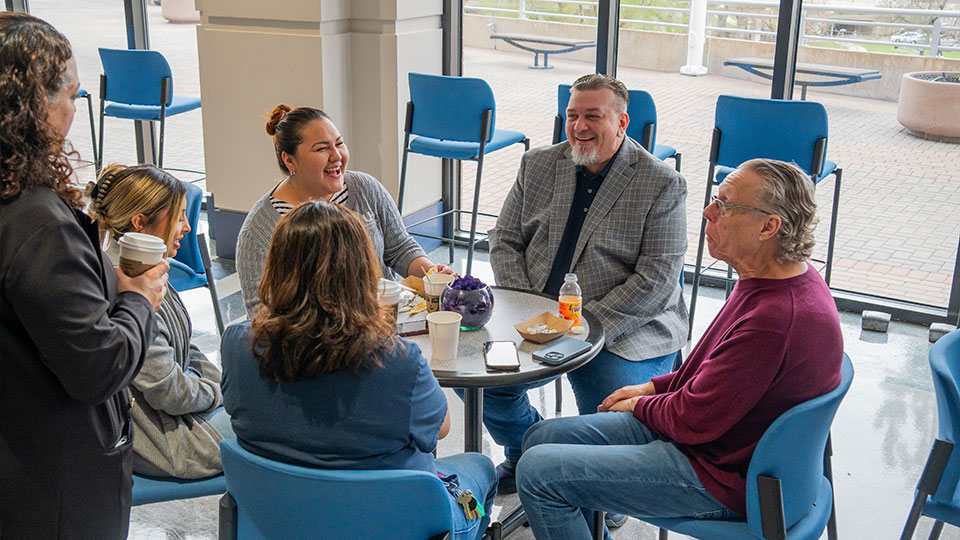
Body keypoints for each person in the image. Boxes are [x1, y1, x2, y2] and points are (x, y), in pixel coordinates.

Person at [515, 158, 845, 539]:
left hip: (720, 475)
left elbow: (692, 419)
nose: (708, 212)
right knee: (538, 440)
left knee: (539, 472)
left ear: (768, 227)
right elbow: (715, 374)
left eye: (725, 205)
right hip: (718, 446)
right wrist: (651, 388)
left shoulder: (775, 319)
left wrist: (639, 405)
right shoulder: (774, 279)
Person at [222, 201, 495, 540]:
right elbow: (440, 429)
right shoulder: (398, 360)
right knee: (480, 469)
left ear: (276, 267)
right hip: (391, 523)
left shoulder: (237, 344)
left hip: (278, 520)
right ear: (362, 272)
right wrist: (383, 335)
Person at [0, 13, 168, 539]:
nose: (75, 111)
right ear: (34, 107)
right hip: (52, 484)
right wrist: (138, 298)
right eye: (70, 95)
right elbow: (98, 368)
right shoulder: (37, 223)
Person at [484, 73, 688, 494]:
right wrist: (527, 308)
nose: (578, 126)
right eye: (572, 115)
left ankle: (601, 491)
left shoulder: (662, 183)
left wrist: (585, 328)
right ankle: (530, 455)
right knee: (485, 384)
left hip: (625, 327)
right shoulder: (538, 163)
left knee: (607, 409)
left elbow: (658, 279)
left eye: (592, 116)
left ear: (622, 122)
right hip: (536, 317)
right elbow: (503, 240)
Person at [236, 104, 453, 318]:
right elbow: (261, 315)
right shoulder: (260, 231)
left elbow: (400, 248)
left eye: (339, 144)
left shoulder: (365, 188)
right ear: (289, 160)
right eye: (321, 149)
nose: (336, 156)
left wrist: (432, 274)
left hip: (382, 325)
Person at [87, 163, 233, 479]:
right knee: (275, 431)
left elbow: (188, 349)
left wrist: (217, 386)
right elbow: (169, 392)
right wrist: (221, 392)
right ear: (140, 222)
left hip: (183, 416)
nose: (187, 226)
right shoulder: (124, 293)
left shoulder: (154, 272)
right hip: (167, 441)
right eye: (178, 216)